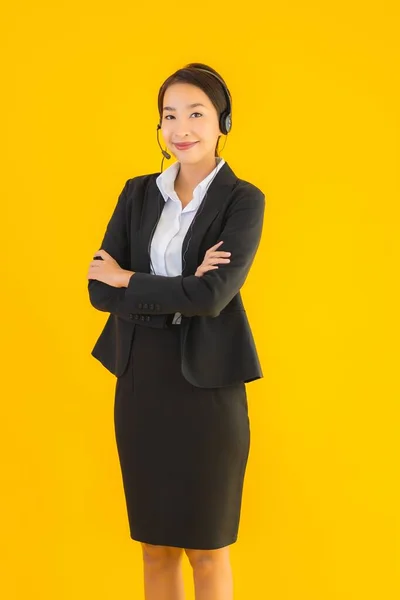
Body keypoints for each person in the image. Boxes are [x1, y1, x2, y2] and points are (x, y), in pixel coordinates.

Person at [87, 62, 266, 600]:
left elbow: (214, 297)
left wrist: (132, 280)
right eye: (169, 116)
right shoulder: (138, 193)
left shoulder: (243, 200)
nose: (181, 128)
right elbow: (99, 289)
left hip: (208, 388)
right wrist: (181, 284)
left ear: (222, 123)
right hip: (142, 382)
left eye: (196, 113)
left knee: (208, 550)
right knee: (155, 547)